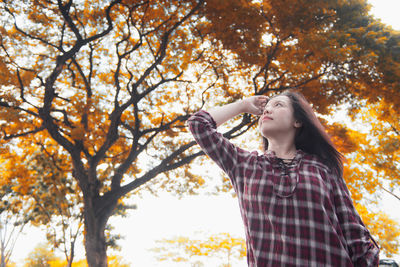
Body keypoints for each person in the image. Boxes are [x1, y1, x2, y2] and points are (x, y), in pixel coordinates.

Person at [187, 90, 379, 266]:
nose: (268, 109)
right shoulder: (244, 165)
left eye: (278, 105)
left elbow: (354, 232)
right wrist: (243, 105)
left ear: (298, 121)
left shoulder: (323, 167)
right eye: (266, 108)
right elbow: (198, 123)